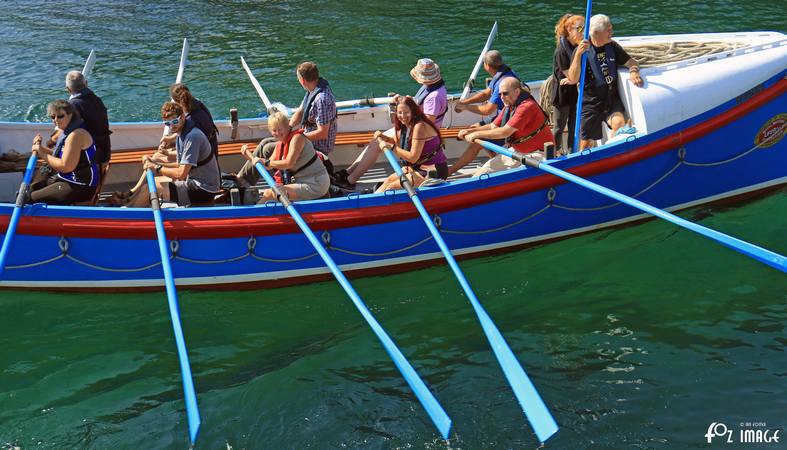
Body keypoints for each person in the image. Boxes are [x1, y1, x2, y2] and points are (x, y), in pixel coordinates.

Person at [335, 58, 448, 189]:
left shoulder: (433, 97)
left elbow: (428, 121)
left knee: (377, 143)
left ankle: (350, 179)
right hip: (412, 127)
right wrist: (405, 102)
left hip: (418, 133)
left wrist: (406, 106)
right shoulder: (430, 87)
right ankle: (349, 173)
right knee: (376, 142)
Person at [111, 83, 220, 204]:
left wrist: (156, 167)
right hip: (194, 179)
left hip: (204, 190)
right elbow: (180, 165)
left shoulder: (192, 136)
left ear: (183, 117)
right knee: (153, 177)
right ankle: (131, 203)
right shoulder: (182, 132)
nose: (172, 126)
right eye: (168, 124)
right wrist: (154, 164)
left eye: (175, 121)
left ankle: (131, 217)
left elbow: (181, 174)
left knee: (149, 188)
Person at [565, 14, 644, 150]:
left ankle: (612, 153)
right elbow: (572, 78)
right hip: (591, 103)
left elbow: (631, 62)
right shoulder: (582, 51)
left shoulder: (612, 46)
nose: (611, 33)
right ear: (596, 32)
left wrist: (634, 71)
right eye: (608, 30)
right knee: (585, 144)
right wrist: (578, 55)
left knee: (619, 123)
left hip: (611, 99)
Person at [457, 77, 553, 176]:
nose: (502, 97)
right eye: (500, 94)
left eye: (505, 93)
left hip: (538, 154)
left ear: (517, 91)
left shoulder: (526, 106)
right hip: (518, 152)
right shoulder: (510, 106)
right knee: (483, 173)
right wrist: (469, 131)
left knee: (516, 177)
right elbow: (492, 126)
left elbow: (504, 132)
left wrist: (476, 134)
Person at [449, 50, 519, 175]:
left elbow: (488, 110)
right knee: (474, 127)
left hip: (508, 122)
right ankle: (495, 157)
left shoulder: (502, 81)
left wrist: (465, 107)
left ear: (486, 65)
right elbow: (487, 93)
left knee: (478, 138)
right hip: (500, 117)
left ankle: (450, 171)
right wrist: (466, 102)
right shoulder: (503, 72)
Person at [238, 111, 329, 202]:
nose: (277, 133)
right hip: (301, 181)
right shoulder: (280, 144)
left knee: (268, 194)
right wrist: (250, 157)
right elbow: (267, 166)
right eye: (274, 130)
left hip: (316, 183)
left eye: (280, 129)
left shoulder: (297, 138)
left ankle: (256, 215)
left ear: (287, 127)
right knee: (270, 193)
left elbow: (289, 163)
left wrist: (265, 161)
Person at [28, 100, 99, 205]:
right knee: (31, 188)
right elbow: (60, 156)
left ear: (71, 114)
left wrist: (41, 153)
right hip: (66, 178)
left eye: (60, 116)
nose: (56, 120)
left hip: (80, 185)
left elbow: (65, 166)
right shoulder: (67, 130)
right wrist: (40, 148)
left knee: (29, 198)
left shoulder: (76, 135)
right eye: (53, 117)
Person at [374, 96, 447, 193]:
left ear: (414, 111)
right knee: (389, 180)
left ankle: (378, 205)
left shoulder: (419, 126)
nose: (403, 116)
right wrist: (384, 138)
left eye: (406, 112)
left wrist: (391, 147)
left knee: (392, 187)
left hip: (433, 171)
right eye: (400, 113)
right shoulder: (405, 125)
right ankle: (366, 204)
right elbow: (397, 142)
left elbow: (413, 158)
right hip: (417, 167)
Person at [550, 14, 585, 154]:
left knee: (573, 125)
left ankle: (572, 151)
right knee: (559, 125)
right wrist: (572, 79)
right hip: (562, 93)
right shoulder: (561, 50)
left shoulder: (577, 46)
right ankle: (554, 151)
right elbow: (569, 74)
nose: (583, 32)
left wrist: (573, 80)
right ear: (570, 30)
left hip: (574, 91)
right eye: (580, 28)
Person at [288, 61, 337, 155]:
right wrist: (288, 128)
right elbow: (300, 111)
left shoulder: (321, 99)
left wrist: (297, 138)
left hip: (318, 147)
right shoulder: (312, 90)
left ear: (302, 80)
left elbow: (323, 133)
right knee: (268, 145)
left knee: (272, 149)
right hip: (308, 139)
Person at [63, 70, 111, 165]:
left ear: (68, 89)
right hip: (105, 153)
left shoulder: (73, 106)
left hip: (90, 159)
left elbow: (64, 133)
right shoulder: (97, 100)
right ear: (86, 83)